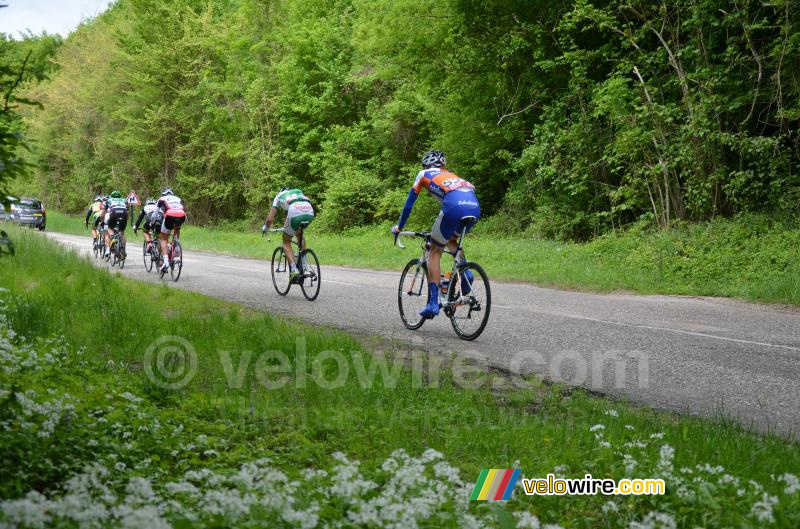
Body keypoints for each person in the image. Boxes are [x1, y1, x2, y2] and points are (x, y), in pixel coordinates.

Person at [392, 150, 480, 319]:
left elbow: (408, 205)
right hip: (474, 207)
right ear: (443, 165)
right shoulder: (451, 175)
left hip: (454, 207)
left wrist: (399, 227)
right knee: (451, 240)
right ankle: (465, 271)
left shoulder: (424, 174)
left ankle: (433, 303)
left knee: (434, 250)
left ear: (426, 165)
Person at [262, 187, 314, 283]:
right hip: (309, 211)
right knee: (299, 234)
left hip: (295, 212)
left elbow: (270, 219)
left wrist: (266, 227)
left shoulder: (278, 197)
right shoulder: (297, 192)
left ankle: (294, 270)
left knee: (286, 241)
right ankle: (305, 266)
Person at [156, 188, 186, 273]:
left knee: (163, 239)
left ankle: (166, 262)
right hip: (181, 215)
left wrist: (152, 221)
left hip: (170, 216)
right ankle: (176, 246)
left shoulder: (161, 199)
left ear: (163, 194)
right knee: (177, 227)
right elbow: (183, 209)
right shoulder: (178, 198)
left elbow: (155, 214)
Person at [103, 191, 129, 258]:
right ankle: (123, 250)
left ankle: (112, 237)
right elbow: (127, 212)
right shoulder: (124, 200)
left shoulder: (109, 200)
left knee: (110, 228)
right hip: (124, 213)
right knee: (122, 232)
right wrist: (125, 220)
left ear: (112, 196)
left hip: (114, 212)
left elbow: (104, 211)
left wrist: (101, 218)